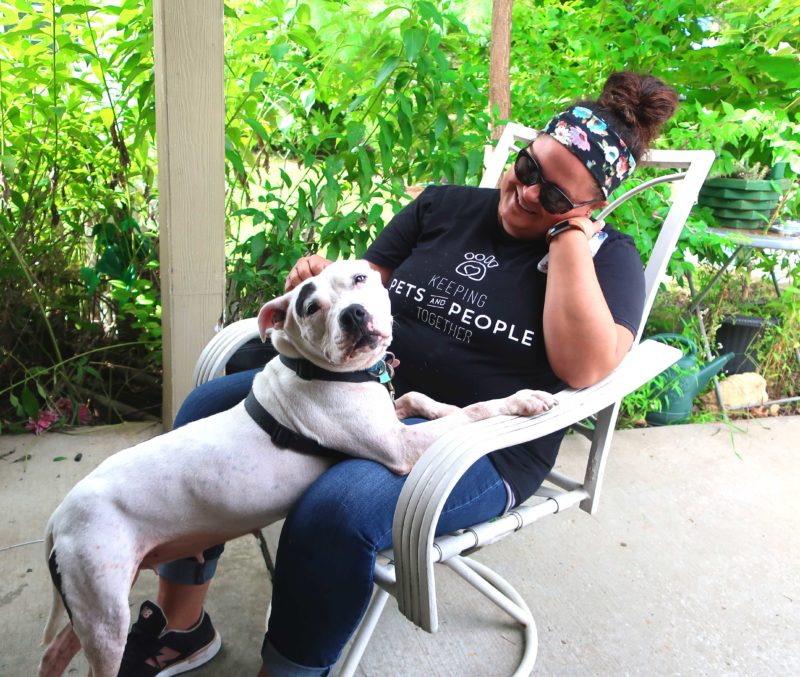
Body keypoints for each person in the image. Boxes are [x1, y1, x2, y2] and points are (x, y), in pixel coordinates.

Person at [119, 71, 678, 676]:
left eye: (556, 197)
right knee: (205, 410)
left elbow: (587, 367)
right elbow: (366, 287)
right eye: (529, 168)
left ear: (590, 209)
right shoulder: (444, 205)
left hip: (479, 447)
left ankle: (289, 670)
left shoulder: (609, 258)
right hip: (360, 397)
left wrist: (569, 241)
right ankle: (181, 628)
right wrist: (323, 285)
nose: (525, 192)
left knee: (335, 510)